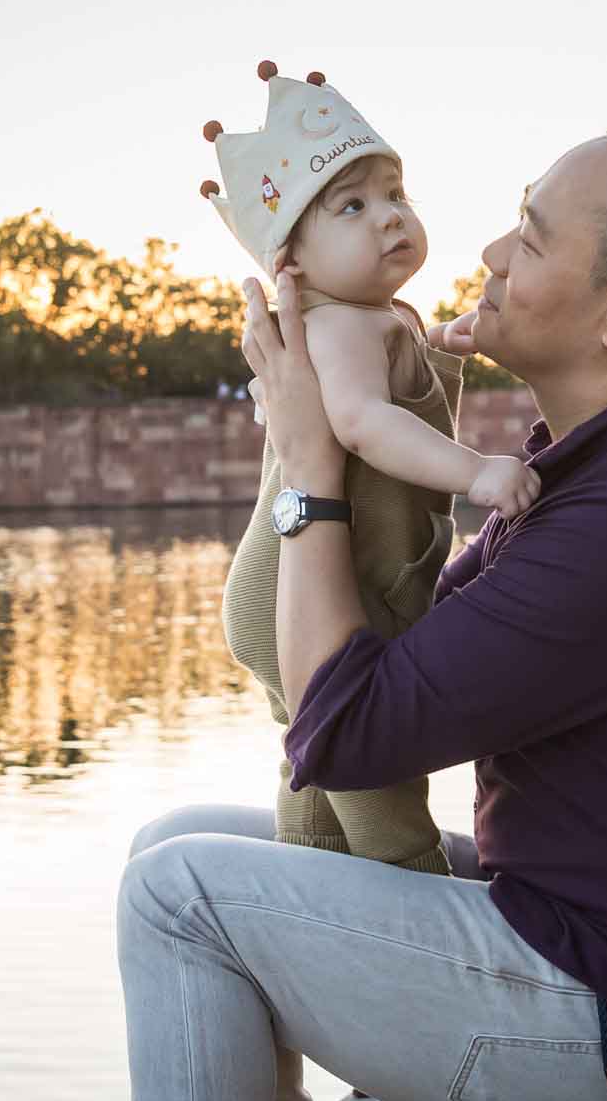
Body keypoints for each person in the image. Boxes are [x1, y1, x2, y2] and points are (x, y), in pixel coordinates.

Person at [120, 128, 607, 1101]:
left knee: (176, 895)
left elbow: (341, 734)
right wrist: (365, 402)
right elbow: (413, 660)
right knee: (178, 842)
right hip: (584, 951)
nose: (488, 250)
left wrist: (311, 462)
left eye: (530, 241)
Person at [202, 60, 539, 876]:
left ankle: (314, 880)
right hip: (322, 581)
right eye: (353, 206)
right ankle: (413, 887)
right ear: (293, 264)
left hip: (289, 583)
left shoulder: (372, 316)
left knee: (314, 763)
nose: (390, 218)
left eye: (397, 195)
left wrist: (446, 351)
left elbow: (400, 395)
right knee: (380, 784)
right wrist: (478, 472)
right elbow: (361, 424)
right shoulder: (341, 326)